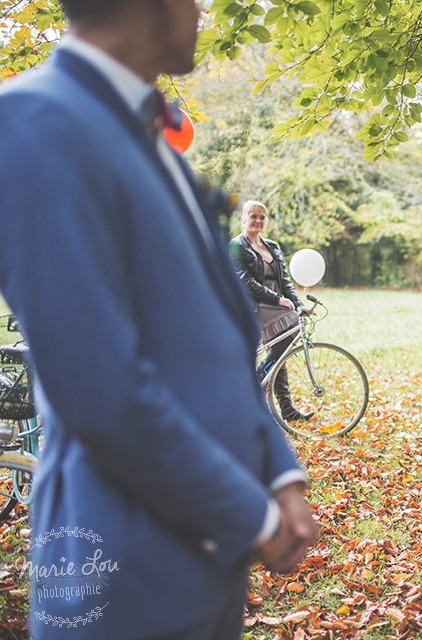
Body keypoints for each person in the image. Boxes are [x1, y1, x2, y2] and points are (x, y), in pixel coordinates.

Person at [0, 1, 316, 638]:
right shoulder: (32, 121)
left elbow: (216, 344)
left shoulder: (152, 137)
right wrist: (251, 516)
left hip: (206, 571)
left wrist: (281, 473)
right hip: (121, 571)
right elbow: (98, 389)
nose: (201, 11)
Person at [230, 200, 313, 422]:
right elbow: (245, 281)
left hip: (278, 305)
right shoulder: (236, 246)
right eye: (253, 216)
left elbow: (284, 280)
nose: (258, 220)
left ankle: (286, 410)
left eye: (262, 217)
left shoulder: (273, 246)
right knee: (285, 341)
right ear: (243, 219)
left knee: (280, 355)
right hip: (255, 306)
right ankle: (260, 374)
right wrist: (278, 299)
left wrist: (296, 302)